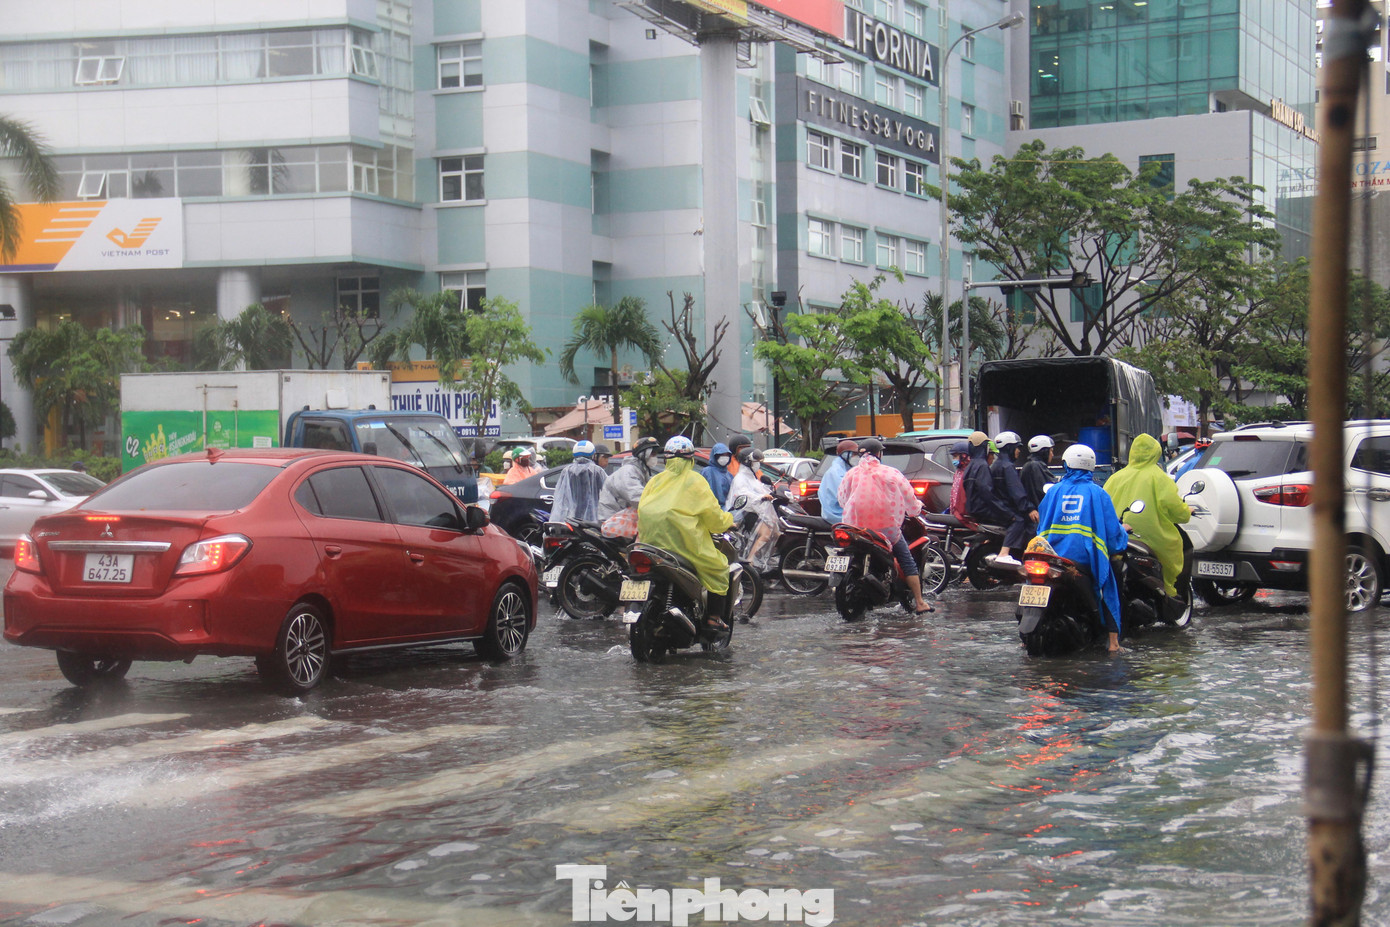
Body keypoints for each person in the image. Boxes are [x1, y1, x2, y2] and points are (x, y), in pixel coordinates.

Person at [1035, 444, 1129, 654]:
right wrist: (1123, 537)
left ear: (1066, 464)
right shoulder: (1098, 493)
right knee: (1108, 586)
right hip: (1084, 560)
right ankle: (1113, 643)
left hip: (1050, 557)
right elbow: (1113, 537)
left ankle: (1026, 640)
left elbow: (1040, 526)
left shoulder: (1054, 491)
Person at [637, 435, 736, 631]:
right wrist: (728, 522)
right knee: (719, 567)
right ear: (690, 459)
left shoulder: (655, 481)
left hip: (651, 545)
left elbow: (641, 509)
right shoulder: (695, 481)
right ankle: (713, 618)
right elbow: (713, 517)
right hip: (684, 546)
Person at [837, 437, 934, 615]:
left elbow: (843, 500)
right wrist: (916, 509)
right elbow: (910, 500)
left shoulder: (851, 473)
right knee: (907, 561)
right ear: (879, 454)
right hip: (886, 529)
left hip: (856, 529)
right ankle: (920, 603)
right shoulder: (891, 473)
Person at [1103, 432, 1194, 597]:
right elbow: (1174, 508)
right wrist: (1186, 511)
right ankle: (1170, 592)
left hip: (1117, 535)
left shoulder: (1116, 477)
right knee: (1175, 547)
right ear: (1156, 452)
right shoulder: (1159, 477)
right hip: (1151, 537)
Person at [989, 431, 1037, 567]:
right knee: (1021, 521)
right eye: (1017, 448)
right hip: (1006, 509)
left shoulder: (996, 465)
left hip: (999, 507)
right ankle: (1007, 553)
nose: (1018, 451)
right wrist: (1029, 508)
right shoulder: (1007, 466)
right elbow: (1017, 492)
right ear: (1009, 448)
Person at [596, 436, 661, 537]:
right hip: (611, 522)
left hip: (622, 519)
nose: (655, 457)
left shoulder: (641, 472)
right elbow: (638, 498)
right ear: (643, 454)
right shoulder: (628, 472)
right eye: (653, 454)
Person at [727, 448, 778, 571]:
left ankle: (763, 559)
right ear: (748, 462)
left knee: (776, 532)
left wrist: (768, 492)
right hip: (744, 514)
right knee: (766, 534)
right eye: (756, 461)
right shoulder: (740, 478)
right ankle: (750, 562)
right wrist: (760, 497)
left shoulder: (751, 477)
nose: (758, 464)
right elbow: (743, 494)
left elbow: (759, 488)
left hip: (754, 512)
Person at [548, 439, 607, 523]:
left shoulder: (567, 471)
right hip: (593, 515)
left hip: (572, 515)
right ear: (593, 455)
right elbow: (608, 490)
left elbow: (560, 494)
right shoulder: (597, 471)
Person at [962, 431, 1010, 529]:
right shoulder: (982, 466)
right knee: (1017, 521)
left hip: (973, 510)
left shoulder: (970, 465)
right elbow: (988, 493)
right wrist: (1006, 512)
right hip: (983, 511)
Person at [818, 439, 859, 523]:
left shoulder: (848, 470)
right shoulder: (836, 472)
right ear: (845, 454)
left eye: (857, 454)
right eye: (854, 454)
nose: (856, 457)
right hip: (837, 516)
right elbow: (847, 495)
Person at [1020, 435, 1057, 510]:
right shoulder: (1037, 466)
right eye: (1051, 451)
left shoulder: (1027, 465)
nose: (1052, 455)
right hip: (1039, 514)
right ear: (1044, 451)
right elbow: (1051, 488)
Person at [948, 440, 971, 520]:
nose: (954, 459)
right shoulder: (958, 472)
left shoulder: (969, 472)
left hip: (964, 515)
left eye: (955, 456)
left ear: (964, 456)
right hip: (955, 513)